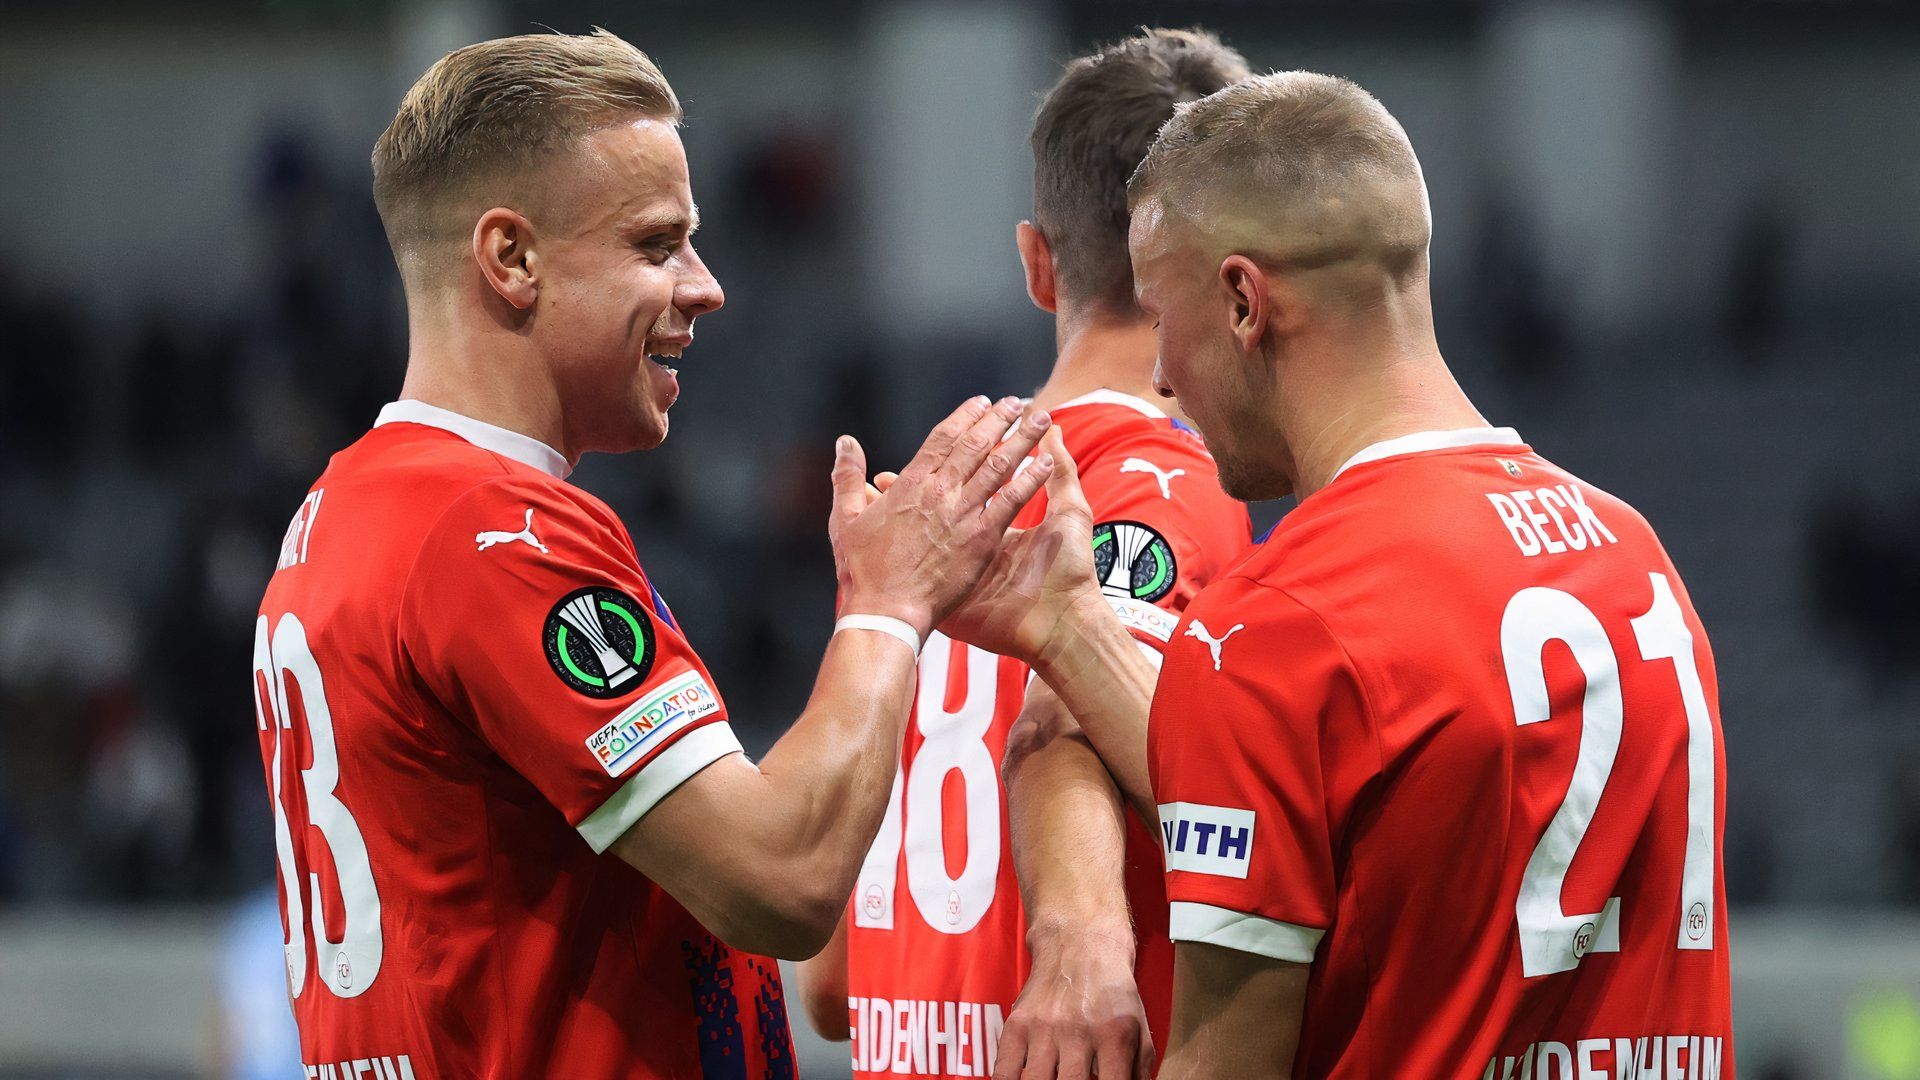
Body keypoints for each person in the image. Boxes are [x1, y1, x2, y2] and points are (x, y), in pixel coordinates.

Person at [249, 30, 1059, 1079]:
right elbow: (783, 877)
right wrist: (888, 605)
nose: (705, 286)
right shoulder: (498, 533)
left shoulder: (344, 510)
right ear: (512, 259)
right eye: (655, 245)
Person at [944, 72, 1733, 1078]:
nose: (1161, 376)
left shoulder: (1282, 622)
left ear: (1243, 300)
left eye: (1159, 314)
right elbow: (1350, 802)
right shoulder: (1632, 555)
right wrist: (1073, 634)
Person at [795, 29, 1252, 1080]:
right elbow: (1075, 711)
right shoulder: (1169, 482)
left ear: (1038, 263)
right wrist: (1081, 930)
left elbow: (830, 980)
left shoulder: (917, 508)